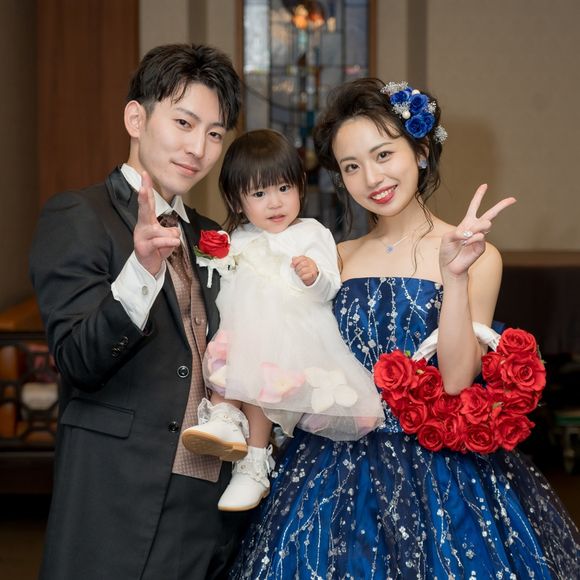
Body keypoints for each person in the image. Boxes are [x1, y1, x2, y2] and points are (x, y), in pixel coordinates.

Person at [230, 79, 580, 578]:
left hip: (444, 470)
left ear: (420, 151)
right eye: (351, 166)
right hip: (331, 462)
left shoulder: (477, 255)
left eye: (383, 154)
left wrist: (454, 276)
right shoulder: (333, 258)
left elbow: (457, 379)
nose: (371, 178)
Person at [29, 43, 246, 580]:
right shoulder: (79, 214)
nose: (198, 148)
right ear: (136, 118)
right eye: (184, 123)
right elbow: (78, 359)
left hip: (208, 505)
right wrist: (142, 271)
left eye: (215, 134)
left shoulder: (212, 236)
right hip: (117, 498)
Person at [181, 129, 384, 512]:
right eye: (259, 194)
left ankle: (254, 465)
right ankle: (224, 418)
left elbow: (330, 287)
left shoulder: (310, 233)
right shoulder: (235, 237)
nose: (275, 202)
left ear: (300, 186)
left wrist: (313, 276)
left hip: (290, 333)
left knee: (263, 385)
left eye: (284, 188)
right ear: (237, 201)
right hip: (241, 331)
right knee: (225, 365)